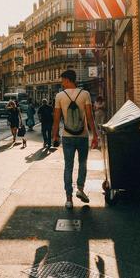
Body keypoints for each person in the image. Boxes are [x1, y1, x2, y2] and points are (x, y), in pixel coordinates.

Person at [52, 70, 98, 209]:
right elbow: (90, 117)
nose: (61, 83)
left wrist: (55, 135)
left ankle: (68, 199)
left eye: (62, 80)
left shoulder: (60, 96)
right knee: (83, 164)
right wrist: (94, 135)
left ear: (67, 80)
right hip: (82, 135)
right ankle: (80, 189)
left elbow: (56, 119)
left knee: (68, 166)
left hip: (67, 136)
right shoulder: (85, 94)